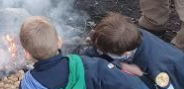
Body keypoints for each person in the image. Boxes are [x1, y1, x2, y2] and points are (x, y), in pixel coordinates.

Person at [19, 16, 149, 89]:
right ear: (59, 41)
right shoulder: (92, 66)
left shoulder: (28, 84)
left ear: (27, 53)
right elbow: (130, 85)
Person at [84, 13, 184, 89]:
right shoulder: (129, 36)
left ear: (126, 54)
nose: (98, 51)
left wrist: (137, 76)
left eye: (102, 51)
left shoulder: (156, 70)